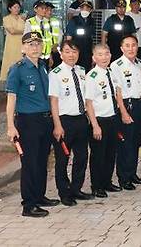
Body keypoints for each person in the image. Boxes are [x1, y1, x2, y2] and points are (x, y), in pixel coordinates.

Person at [6, 32, 60, 217]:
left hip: (44, 120)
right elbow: (11, 99)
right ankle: (28, 205)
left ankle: (39, 196)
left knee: (42, 160)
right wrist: (10, 126)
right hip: (28, 121)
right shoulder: (17, 69)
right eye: (30, 44)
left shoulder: (43, 66)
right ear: (23, 48)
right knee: (29, 163)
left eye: (38, 43)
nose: (35, 47)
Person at [49, 40, 93, 206]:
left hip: (81, 119)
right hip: (64, 121)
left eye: (74, 51)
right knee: (62, 159)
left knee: (82, 156)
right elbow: (53, 101)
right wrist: (57, 125)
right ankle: (64, 192)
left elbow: (86, 96)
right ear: (61, 54)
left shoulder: (82, 71)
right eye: (67, 51)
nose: (71, 55)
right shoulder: (55, 74)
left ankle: (76, 189)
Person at [110, 35, 141, 190]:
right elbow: (117, 92)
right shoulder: (116, 65)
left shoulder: (140, 63)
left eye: (133, 45)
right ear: (121, 48)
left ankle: (132, 173)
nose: (131, 48)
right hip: (126, 106)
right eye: (127, 45)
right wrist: (124, 112)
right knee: (125, 144)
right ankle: (123, 177)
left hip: (139, 106)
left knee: (136, 142)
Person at [85, 44, 122, 198]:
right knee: (98, 155)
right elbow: (89, 103)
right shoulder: (91, 76)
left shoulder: (111, 73)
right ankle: (97, 185)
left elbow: (116, 94)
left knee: (110, 153)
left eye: (107, 53)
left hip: (113, 118)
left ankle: (107, 181)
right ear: (94, 58)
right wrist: (95, 125)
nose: (104, 57)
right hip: (99, 120)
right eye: (100, 54)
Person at [25, 0, 61, 65]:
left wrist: (50, 56)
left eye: (45, 8)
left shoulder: (46, 22)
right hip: (35, 56)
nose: (44, 10)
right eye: (42, 8)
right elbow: (26, 40)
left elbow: (48, 40)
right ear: (35, 9)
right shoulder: (30, 22)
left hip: (46, 56)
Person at [64, 1, 95, 71]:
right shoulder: (74, 21)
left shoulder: (92, 21)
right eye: (83, 8)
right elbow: (68, 39)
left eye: (87, 9)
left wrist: (93, 54)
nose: (85, 10)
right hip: (76, 52)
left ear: (91, 10)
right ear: (80, 9)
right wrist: (69, 53)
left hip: (88, 53)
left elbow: (92, 38)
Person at [0, 0, 26, 82]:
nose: (17, 9)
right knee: (11, 63)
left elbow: (27, 29)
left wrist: (20, 30)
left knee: (21, 62)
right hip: (11, 45)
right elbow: (12, 31)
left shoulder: (22, 18)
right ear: (10, 8)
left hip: (22, 43)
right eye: (15, 7)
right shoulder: (6, 19)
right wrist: (22, 31)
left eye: (18, 7)